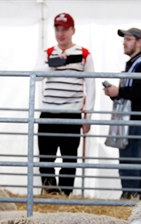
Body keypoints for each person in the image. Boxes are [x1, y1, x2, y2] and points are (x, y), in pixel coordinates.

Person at [34, 13, 95, 196]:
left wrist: (88, 116)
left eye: (65, 29)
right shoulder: (47, 53)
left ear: (72, 30)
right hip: (48, 112)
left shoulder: (84, 54)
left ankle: (65, 196)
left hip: (71, 114)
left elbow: (90, 86)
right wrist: (54, 64)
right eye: (57, 29)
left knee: (69, 159)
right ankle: (50, 194)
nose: (61, 34)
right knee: (46, 158)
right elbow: (36, 75)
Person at [104, 27, 141, 199]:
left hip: (138, 123)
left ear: (139, 42)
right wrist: (116, 93)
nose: (124, 42)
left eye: (128, 39)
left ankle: (129, 197)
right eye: (124, 39)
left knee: (130, 161)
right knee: (136, 161)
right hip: (133, 121)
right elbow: (134, 93)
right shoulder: (135, 64)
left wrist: (119, 92)